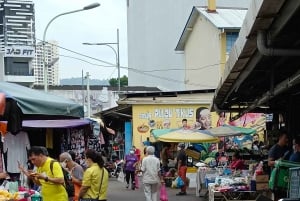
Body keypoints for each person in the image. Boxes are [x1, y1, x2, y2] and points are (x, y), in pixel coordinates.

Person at [268, 130, 289, 201]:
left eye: (287, 138)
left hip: (285, 179)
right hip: (276, 180)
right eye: (285, 138)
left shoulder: (287, 148)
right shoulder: (274, 149)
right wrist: (278, 162)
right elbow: (269, 162)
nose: (286, 140)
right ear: (280, 138)